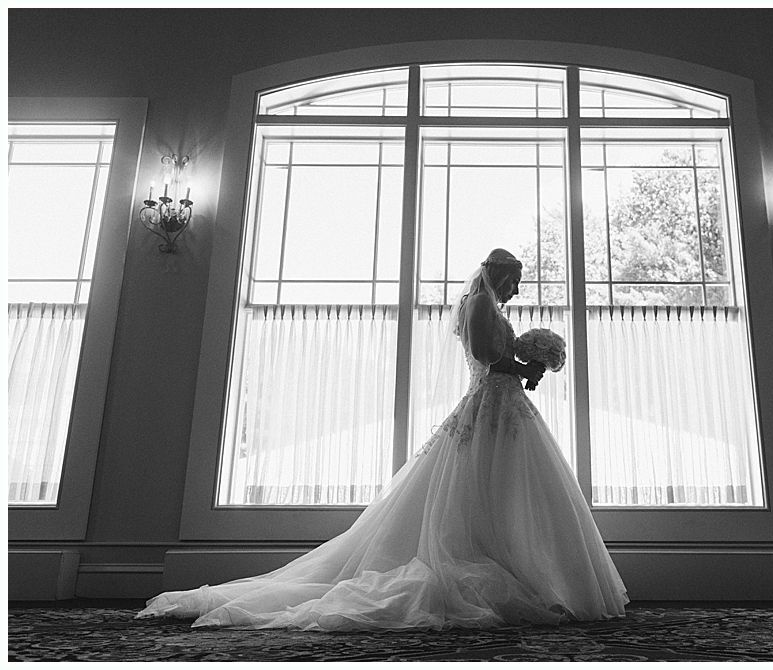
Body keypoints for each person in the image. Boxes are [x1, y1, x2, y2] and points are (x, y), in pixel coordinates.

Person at [137, 248, 628, 630]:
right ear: (500, 275)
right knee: (486, 490)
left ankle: (529, 571)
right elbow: (484, 354)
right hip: (491, 404)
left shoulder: (483, 302)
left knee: (511, 493)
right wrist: (524, 366)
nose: (517, 290)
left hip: (503, 407)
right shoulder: (480, 302)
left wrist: (526, 364)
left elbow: (494, 354)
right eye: (515, 281)